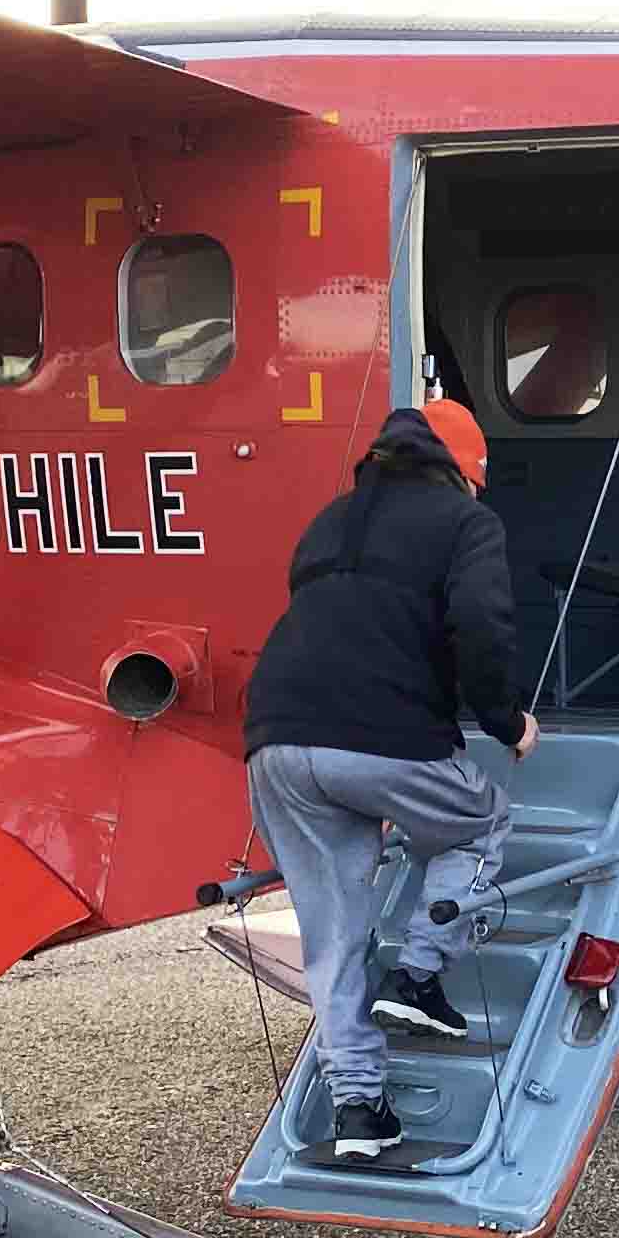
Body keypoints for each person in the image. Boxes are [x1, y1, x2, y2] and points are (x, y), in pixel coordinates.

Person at [243, 400, 537, 1162]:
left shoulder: (328, 522)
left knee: (333, 936)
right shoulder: (465, 522)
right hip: (381, 737)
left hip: (275, 740)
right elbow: (481, 625)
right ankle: (417, 975)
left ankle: (360, 1112)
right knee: (479, 822)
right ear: (463, 472)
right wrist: (507, 722)